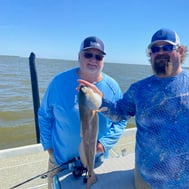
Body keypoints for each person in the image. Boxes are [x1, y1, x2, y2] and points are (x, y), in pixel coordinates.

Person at [79, 28, 189, 189]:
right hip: (147, 182)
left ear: (180, 51)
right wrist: (100, 101)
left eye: (167, 47)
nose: (160, 52)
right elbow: (119, 113)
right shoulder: (139, 89)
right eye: (155, 49)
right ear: (150, 55)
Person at [38, 36, 127, 188]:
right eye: (88, 54)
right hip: (60, 160)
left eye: (98, 56)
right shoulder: (58, 82)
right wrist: (49, 148)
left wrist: (104, 145)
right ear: (79, 56)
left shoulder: (112, 87)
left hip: (96, 160)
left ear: (103, 61)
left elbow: (121, 120)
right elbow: (44, 116)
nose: (93, 59)